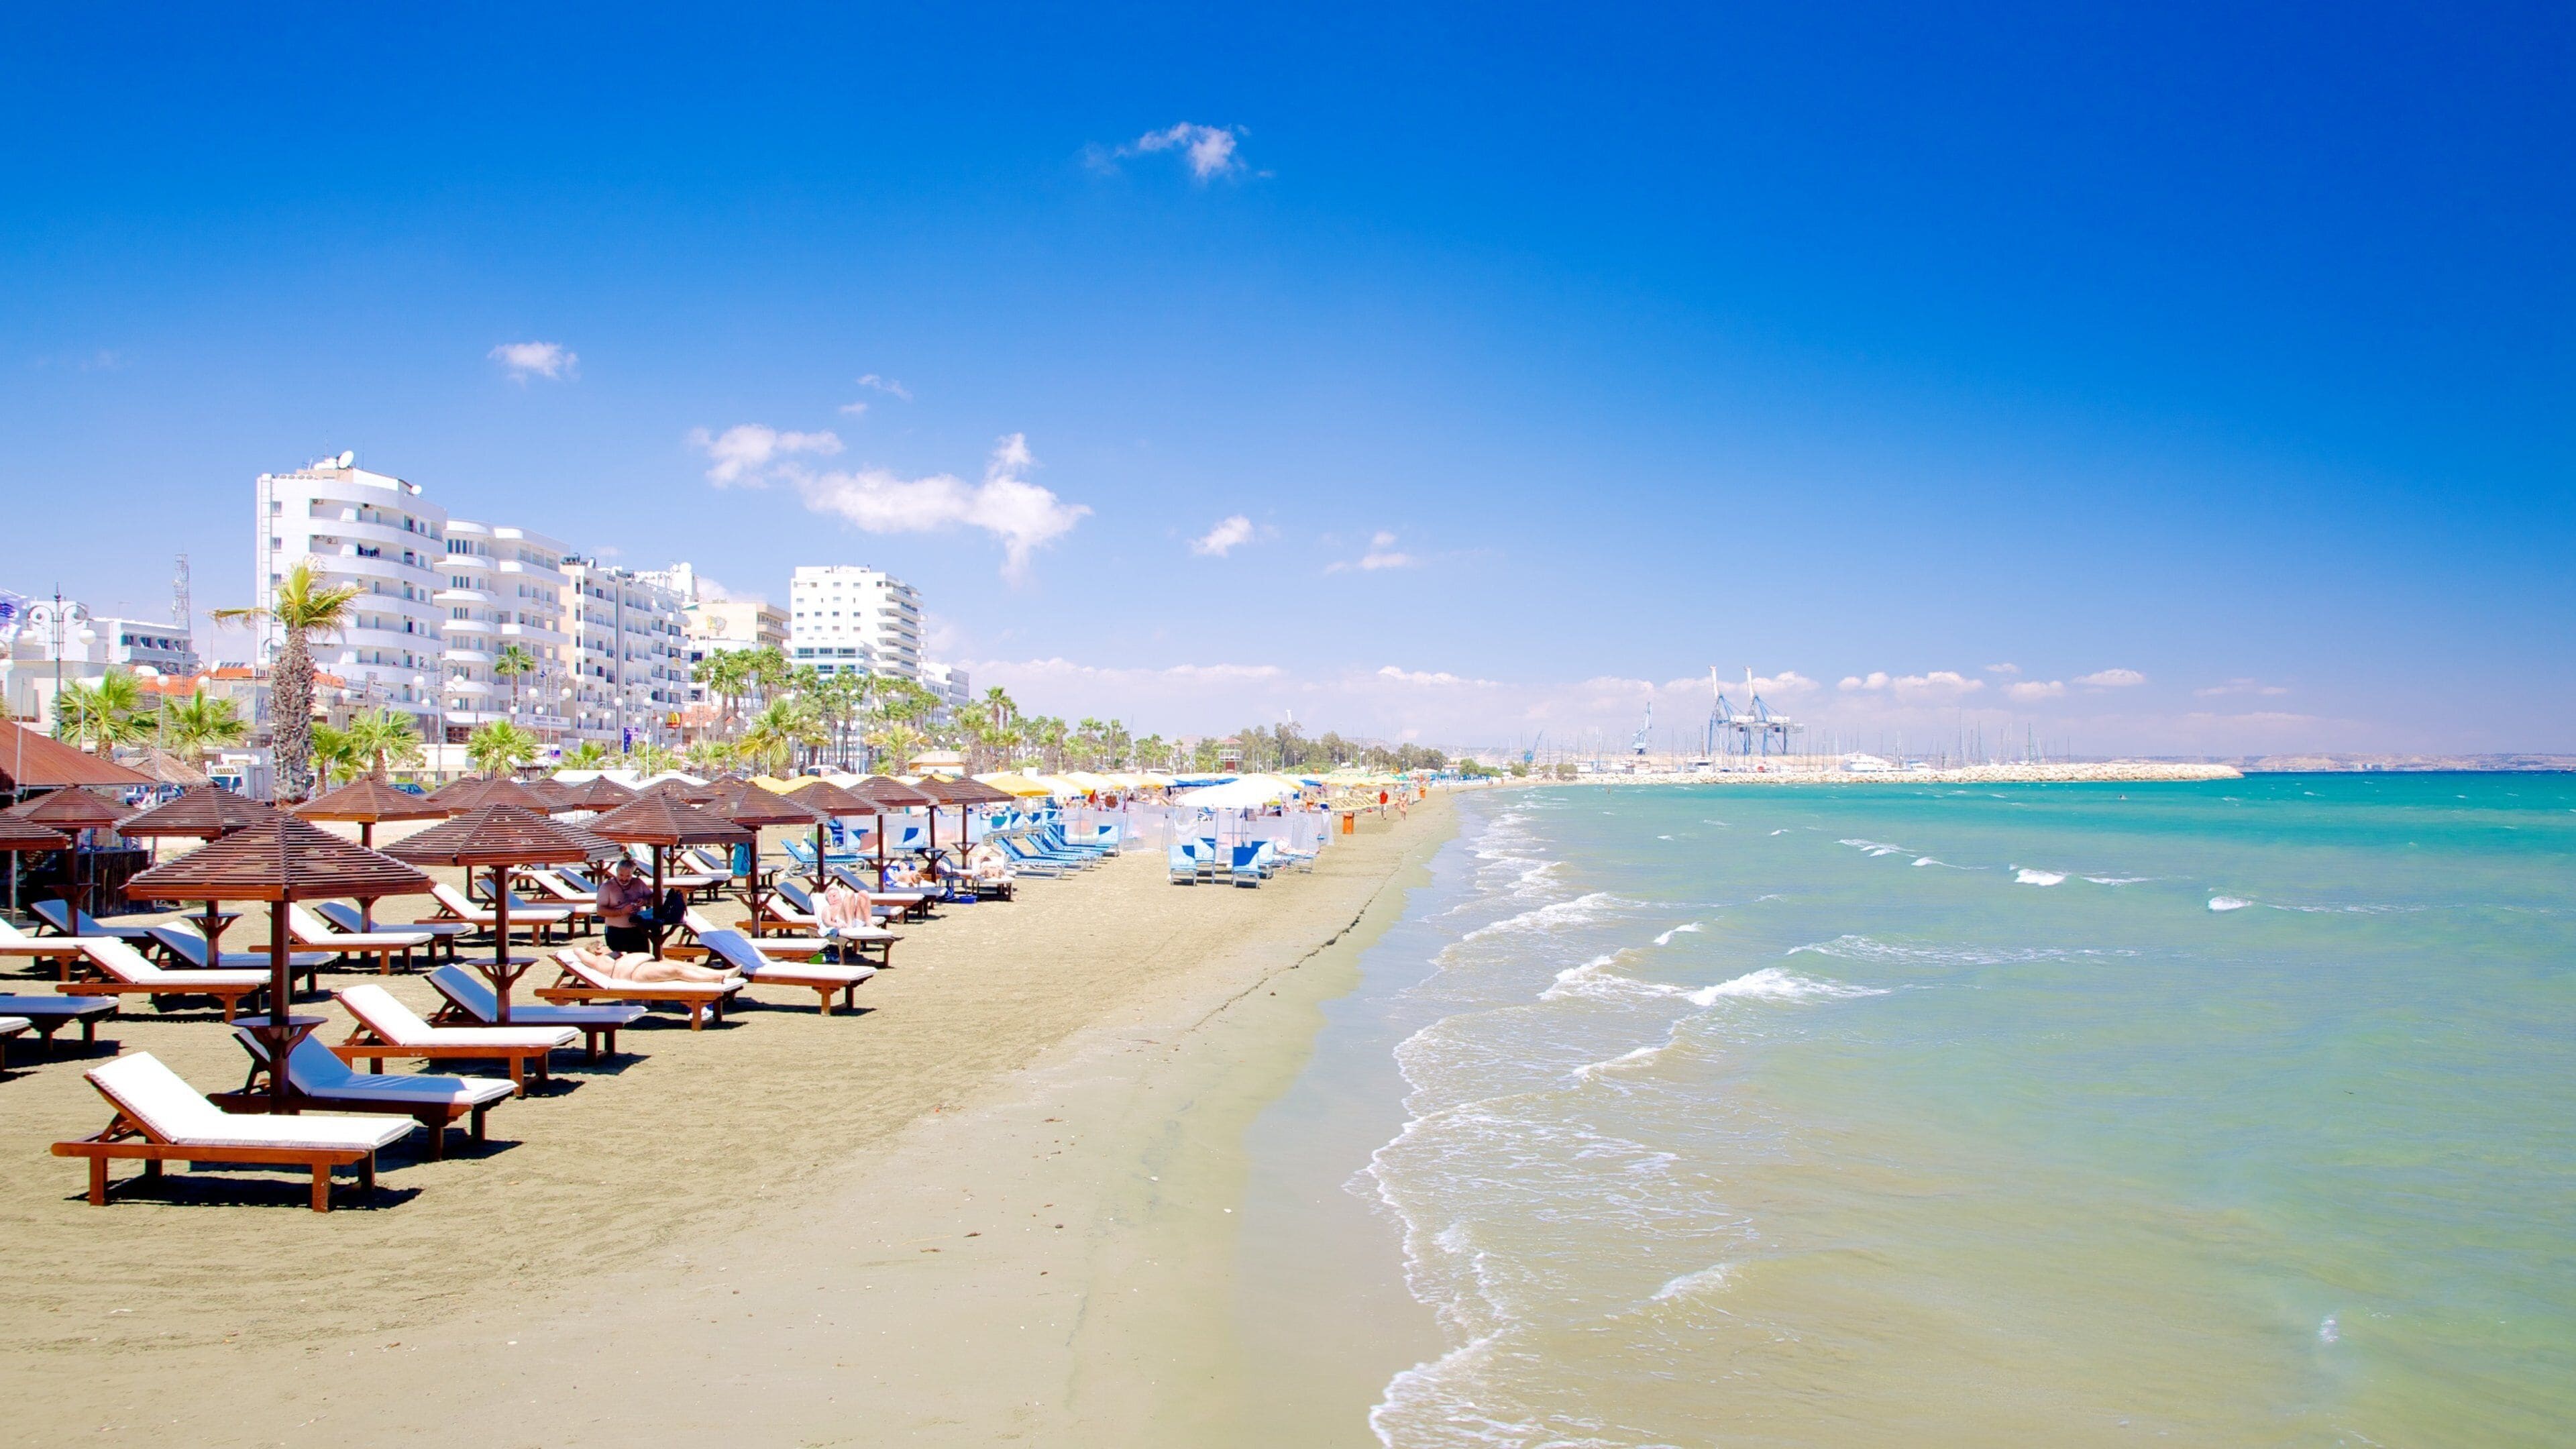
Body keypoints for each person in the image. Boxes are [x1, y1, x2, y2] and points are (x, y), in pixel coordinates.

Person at [562, 943, 736, 985]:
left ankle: (721, 973)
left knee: (682, 966)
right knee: (676, 970)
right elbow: (578, 951)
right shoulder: (597, 961)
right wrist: (587, 948)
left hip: (645, 965)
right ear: (597, 950)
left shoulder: (610, 956)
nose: (606, 945)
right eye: (601, 945)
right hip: (636, 973)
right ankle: (716, 977)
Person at [596, 858, 657, 955]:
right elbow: (600, 911)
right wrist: (621, 911)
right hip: (617, 932)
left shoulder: (638, 883)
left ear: (632, 874)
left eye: (628, 876)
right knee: (619, 964)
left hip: (638, 930)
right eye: (621, 875)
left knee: (643, 961)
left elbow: (653, 899)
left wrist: (645, 901)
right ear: (617, 872)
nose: (624, 879)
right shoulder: (607, 887)